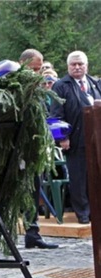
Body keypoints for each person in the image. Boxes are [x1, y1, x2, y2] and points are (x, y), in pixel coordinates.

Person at [51, 50, 101, 224]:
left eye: (80, 64)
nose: (77, 67)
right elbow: (56, 115)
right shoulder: (61, 85)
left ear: (86, 66)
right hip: (75, 138)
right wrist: (62, 138)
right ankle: (83, 213)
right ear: (68, 66)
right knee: (79, 178)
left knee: (96, 177)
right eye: (74, 64)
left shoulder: (95, 83)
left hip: (96, 139)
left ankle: (97, 211)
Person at [19, 49, 58, 249]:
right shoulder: (17, 88)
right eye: (33, 68)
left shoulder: (39, 89)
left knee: (34, 189)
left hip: (36, 148)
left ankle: (32, 233)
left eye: (39, 69)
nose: (36, 73)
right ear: (23, 65)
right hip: (20, 150)